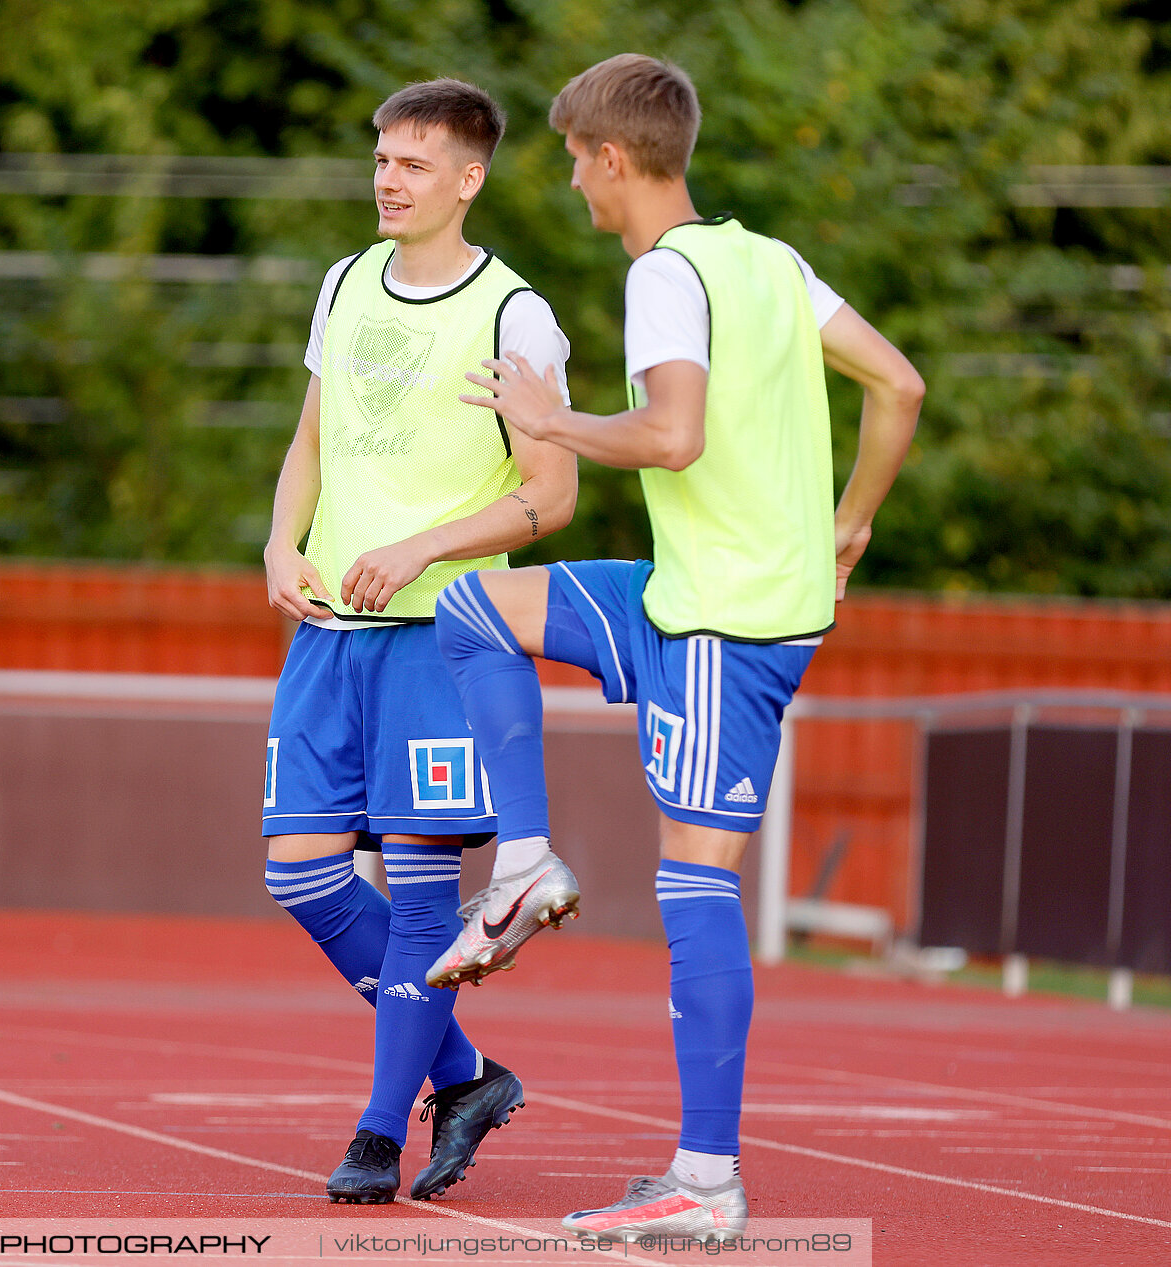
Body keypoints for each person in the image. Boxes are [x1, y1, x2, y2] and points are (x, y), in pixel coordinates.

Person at [426, 55, 924, 1241]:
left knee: (695, 885)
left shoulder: (664, 273)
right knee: (476, 607)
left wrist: (550, 422)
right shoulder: (771, 260)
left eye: (570, 160)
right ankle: (529, 862)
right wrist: (851, 519)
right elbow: (898, 385)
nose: (570, 182)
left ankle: (705, 1181)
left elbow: (674, 435)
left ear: (609, 158)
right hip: (687, 593)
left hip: (726, 625)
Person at [260, 78, 581, 1204]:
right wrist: (276, 538)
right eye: (382, 159)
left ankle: (377, 1132)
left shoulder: (513, 315)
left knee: (419, 885)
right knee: (297, 873)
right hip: (331, 633)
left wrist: (423, 549)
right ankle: (468, 1075)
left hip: (445, 639)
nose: (387, 179)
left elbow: (552, 494)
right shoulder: (345, 280)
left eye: (412, 163)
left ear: (468, 179)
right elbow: (314, 433)